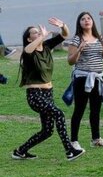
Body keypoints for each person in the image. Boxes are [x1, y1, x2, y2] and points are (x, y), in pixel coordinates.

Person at [12, 18, 85, 161]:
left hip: (48, 93)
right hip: (35, 95)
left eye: (39, 31)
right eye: (35, 32)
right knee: (58, 114)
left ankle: (20, 151)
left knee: (47, 131)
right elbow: (27, 49)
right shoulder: (28, 53)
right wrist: (43, 36)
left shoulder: (46, 46)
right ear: (29, 38)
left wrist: (63, 25)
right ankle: (70, 151)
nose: (39, 33)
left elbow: (65, 35)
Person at [67, 12, 103, 150]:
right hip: (83, 79)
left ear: (92, 21)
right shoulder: (76, 39)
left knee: (95, 110)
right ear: (79, 23)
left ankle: (96, 139)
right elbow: (70, 61)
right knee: (79, 110)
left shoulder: (100, 38)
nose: (86, 21)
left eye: (88, 18)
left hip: (98, 78)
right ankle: (74, 141)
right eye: (83, 19)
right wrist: (79, 50)